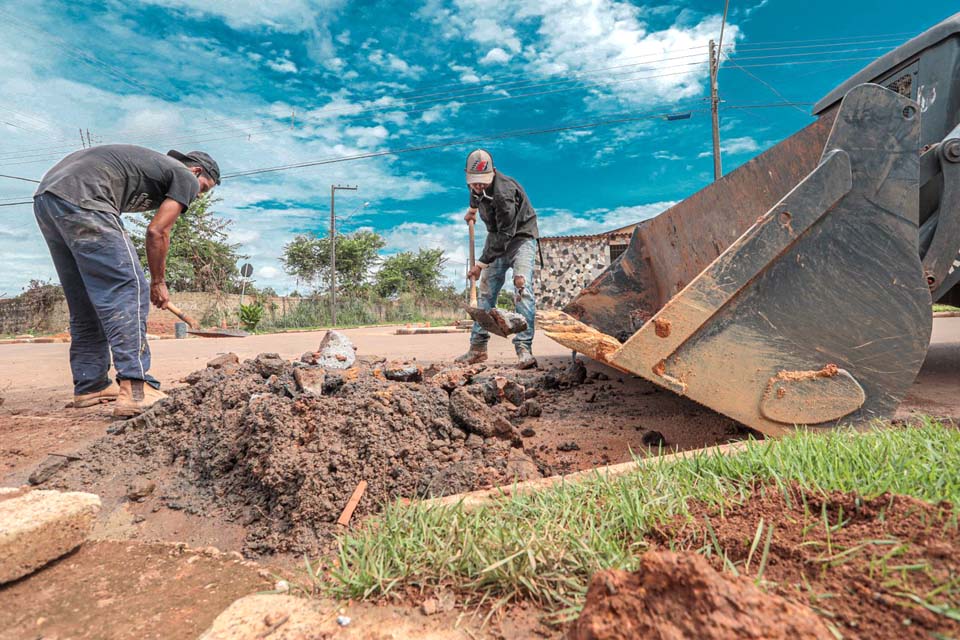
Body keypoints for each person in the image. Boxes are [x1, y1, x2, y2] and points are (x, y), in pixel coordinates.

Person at [33, 145, 220, 417]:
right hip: (84, 198)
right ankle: (136, 387)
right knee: (129, 286)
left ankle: (91, 385)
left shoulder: (156, 169)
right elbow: (157, 231)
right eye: (204, 189)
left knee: (86, 300)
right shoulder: (186, 176)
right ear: (197, 171)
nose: (198, 196)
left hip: (48, 200)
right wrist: (157, 282)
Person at [456, 148, 539, 369]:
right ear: (468, 175)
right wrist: (472, 210)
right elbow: (475, 197)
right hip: (497, 238)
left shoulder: (504, 193)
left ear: (493, 172)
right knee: (486, 293)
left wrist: (481, 263)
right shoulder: (474, 187)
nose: (479, 186)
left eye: (483, 182)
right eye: (475, 182)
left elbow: (506, 234)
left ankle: (524, 349)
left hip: (520, 237)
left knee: (522, 287)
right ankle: (477, 349)